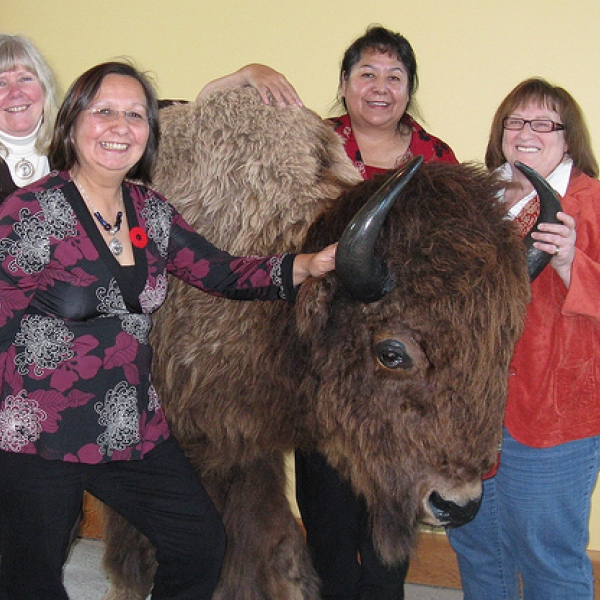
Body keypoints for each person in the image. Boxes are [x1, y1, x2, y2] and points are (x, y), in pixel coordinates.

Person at [0, 60, 337, 600]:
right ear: (72, 124)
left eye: (135, 115)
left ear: (149, 133)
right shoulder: (29, 213)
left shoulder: (150, 212)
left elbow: (223, 272)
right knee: (30, 579)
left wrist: (307, 265)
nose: (120, 126)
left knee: (199, 544)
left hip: (129, 423)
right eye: (103, 111)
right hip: (41, 431)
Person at [198, 25, 458, 600]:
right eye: (367, 74)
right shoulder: (308, 141)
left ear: (409, 89)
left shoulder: (435, 158)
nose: (380, 87)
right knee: (327, 507)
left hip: (399, 364)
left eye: (395, 76)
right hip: (320, 353)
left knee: (393, 507)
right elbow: (198, 117)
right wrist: (244, 74)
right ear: (344, 85)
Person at [447, 78, 600, 600]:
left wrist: (568, 262)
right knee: (475, 545)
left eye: (544, 123)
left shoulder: (592, 201)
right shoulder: (475, 198)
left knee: (546, 555)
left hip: (553, 415)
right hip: (471, 410)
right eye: (515, 121)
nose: (527, 132)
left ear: (568, 137)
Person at [0, 34, 60, 202]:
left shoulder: (73, 155)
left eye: (25, 79)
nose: (15, 92)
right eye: (1, 83)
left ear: (45, 89)